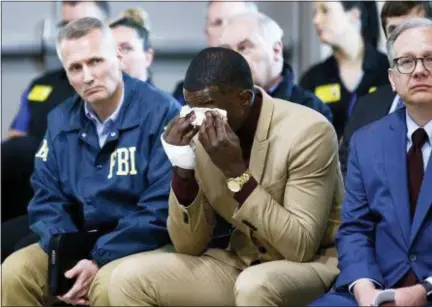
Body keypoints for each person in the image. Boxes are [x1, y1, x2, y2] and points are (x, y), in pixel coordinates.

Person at [108, 47, 344, 306]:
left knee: (255, 285)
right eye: (190, 106)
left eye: (207, 106)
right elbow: (189, 246)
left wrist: (236, 172)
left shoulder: (309, 132)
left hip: (311, 265)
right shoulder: (202, 137)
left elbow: (301, 247)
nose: (197, 118)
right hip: (241, 262)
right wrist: (182, 169)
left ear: (244, 98)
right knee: (126, 279)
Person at [2, 17, 180, 306]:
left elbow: (162, 206)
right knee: (14, 273)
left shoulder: (163, 113)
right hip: (79, 240)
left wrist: (99, 257)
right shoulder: (60, 120)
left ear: (118, 57)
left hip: (144, 243)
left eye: (95, 61)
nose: (87, 76)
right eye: (75, 67)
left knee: (110, 285)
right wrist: (69, 257)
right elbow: (46, 198)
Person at [310, 18, 432, 306]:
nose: (418, 71)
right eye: (406, 61)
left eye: (431, 59)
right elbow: (355, 229)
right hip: (377, 287)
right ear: (392, 78)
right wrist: (366, 290)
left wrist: (425, 290)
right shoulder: (367, 141)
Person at [2, 1, 111, 224]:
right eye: (65, 27)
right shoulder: (41, 86)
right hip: (29, 189)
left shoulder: (108, 85)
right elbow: (14, 140)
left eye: (81, 27)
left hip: (78, 196)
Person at [339, 1, 432, 177]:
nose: (403, 41)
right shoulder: (366, 108)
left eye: (413, 29)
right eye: (394, 31)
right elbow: (346, 172)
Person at [218, 11, 333, 122]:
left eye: (244, 48)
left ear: (276, 50)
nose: (233, 59)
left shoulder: (311, 110)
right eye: (227, 51)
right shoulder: (217, 107)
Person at [299, 1, 389, 138]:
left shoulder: (388, 70)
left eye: (325, 11)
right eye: (314, 13)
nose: (316, 20)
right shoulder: (312, 78)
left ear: (354, 14)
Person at [172, 0, 258, 105]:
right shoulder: (185, 94)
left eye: (235, 21)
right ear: (206, 34)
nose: (225, 30)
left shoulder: (276, 96)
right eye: (217, 23)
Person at [110, 7, 155, 84]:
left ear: (147, 58)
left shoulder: (159, 96)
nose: (116, 57)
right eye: (110, 50)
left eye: (126, 49)